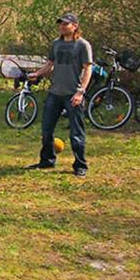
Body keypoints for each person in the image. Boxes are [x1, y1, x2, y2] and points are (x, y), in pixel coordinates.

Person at [26, 12, 93, 177]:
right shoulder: (56, 44)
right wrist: (37, 74)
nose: (62, 27)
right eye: (60, 24)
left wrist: (80, 92)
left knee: (76, 133)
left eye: (66, 24)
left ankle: (80, 165)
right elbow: (50, 64)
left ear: (75, 26)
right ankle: (47, 161)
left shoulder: (82, 45)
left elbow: (88, 69)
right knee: (47, 130)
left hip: (73, 95)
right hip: (54, 94)